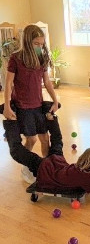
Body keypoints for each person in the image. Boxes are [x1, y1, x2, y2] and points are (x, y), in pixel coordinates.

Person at [2, 117, 90, 202]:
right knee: (18, 152)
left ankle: (52, 117)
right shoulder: (88, 178)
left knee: (57, 142)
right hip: (45, 169)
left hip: (57, 163)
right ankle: (11, 124)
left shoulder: (86, 168)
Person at [3, 24, 59, 183]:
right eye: (36, 44)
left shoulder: (42, 58)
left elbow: (47, 82)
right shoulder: (16, 58)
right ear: (27, 42)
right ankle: (27, 167)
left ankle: (48, 169)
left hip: (38, 106)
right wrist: (7, 106)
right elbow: (8, 84)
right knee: (32, 140)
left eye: (41, 44)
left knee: (44, 139)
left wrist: (55, 100)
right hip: (23, 107)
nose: (39, 47)